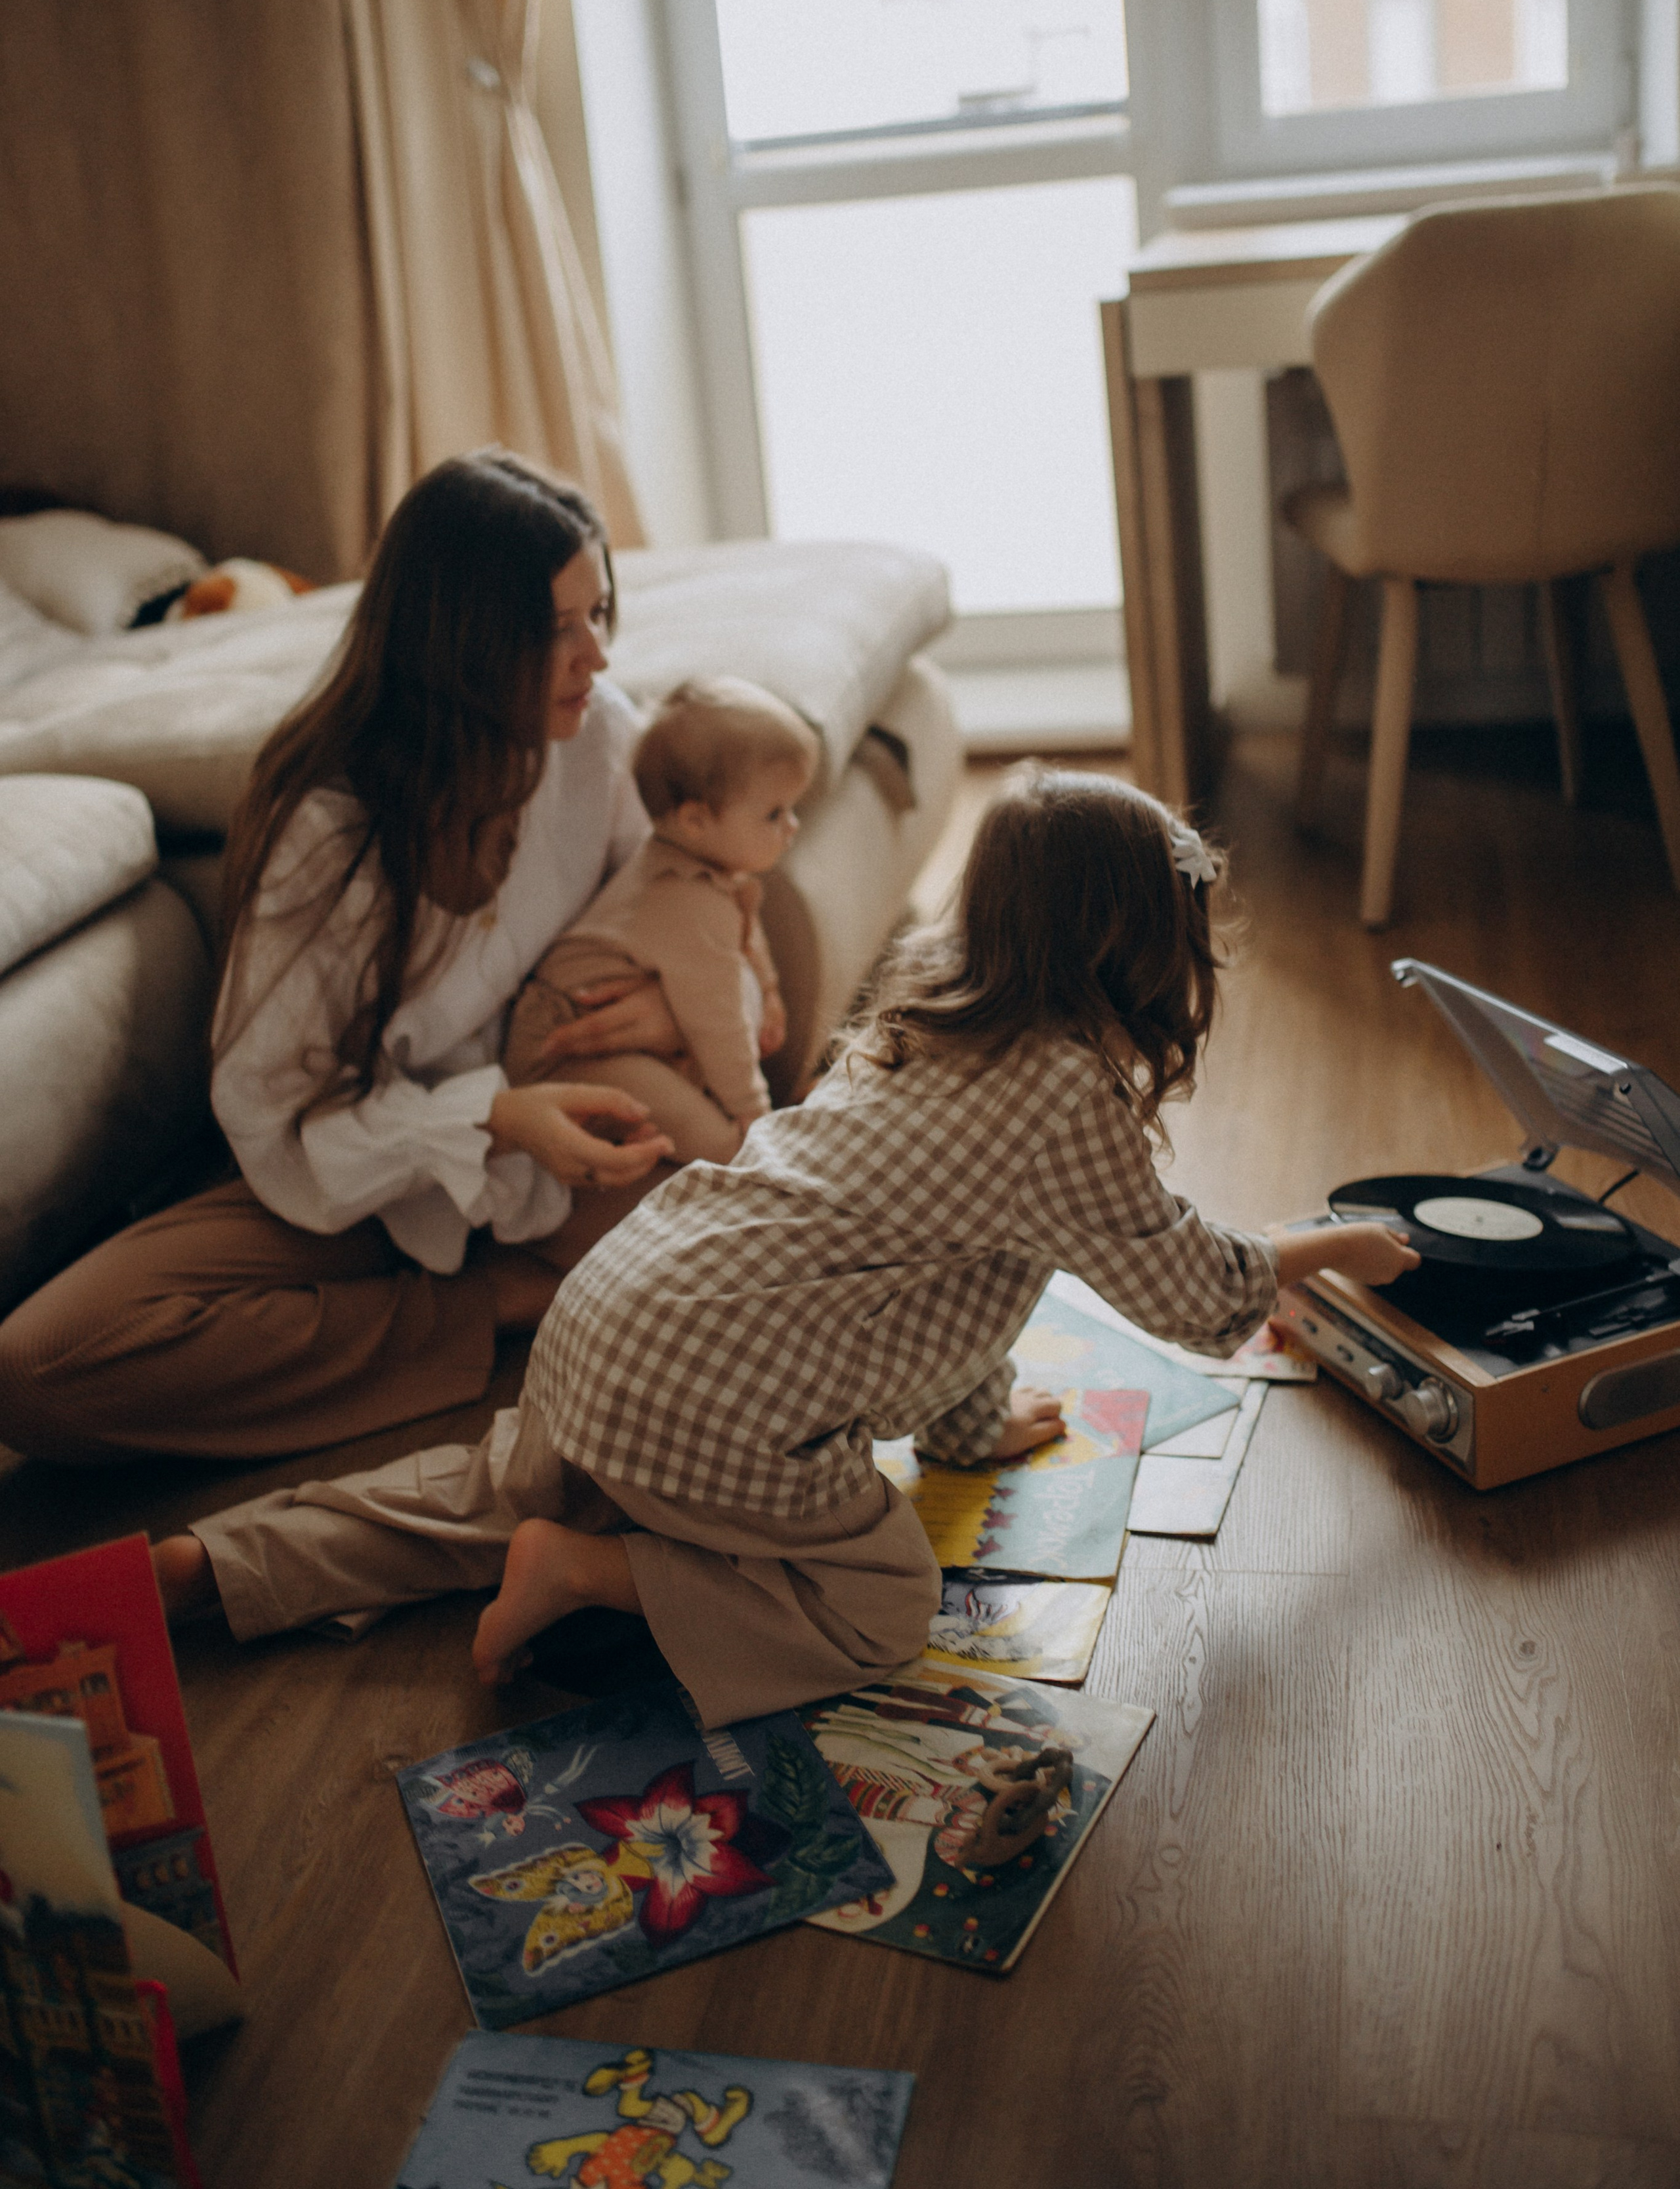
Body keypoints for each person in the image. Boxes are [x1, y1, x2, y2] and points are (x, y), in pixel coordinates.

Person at [152, 768, 1418, 1728]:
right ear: (1138, 943)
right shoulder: (1068, 1092)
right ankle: (587, 1571)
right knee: (880, 1599)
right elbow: (1201, 1298)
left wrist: (973, 1424)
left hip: (611, 1324)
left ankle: (210, 1566)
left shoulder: (931, 1009)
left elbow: (938, 1259)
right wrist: (1333, 1242)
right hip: (716, 1397)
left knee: (485, 1495)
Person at [0, 450, 723, 1466]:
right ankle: (494, 1311)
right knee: (41, 1365)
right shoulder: (328, 836)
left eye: (599, 613)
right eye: (555, 630)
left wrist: (652, 1009)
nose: (595, 658)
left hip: (551, 1151)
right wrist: (491, 1114)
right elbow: (273, 1116)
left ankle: (486, 1299)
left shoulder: (597, 738)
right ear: (463, 643)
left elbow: (675, 904)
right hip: (354, 1178)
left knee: (748, 1249)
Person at [502, 677, 818, 1164]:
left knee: (700, 1084)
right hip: (562, 1049)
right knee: (718, 1141)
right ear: (694, 820)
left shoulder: (705, 868)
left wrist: (770, 991)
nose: (792, 826)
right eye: (775, 813)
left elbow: (743, 934)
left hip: (612, 1027)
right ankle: (749, 1166)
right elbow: (719, 1021)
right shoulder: (686, 901)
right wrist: (755, 1113)